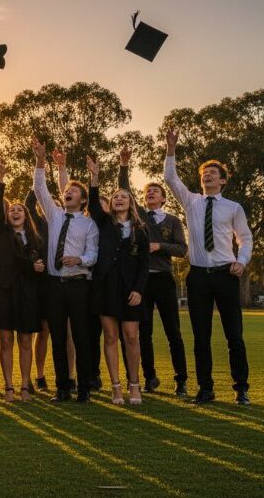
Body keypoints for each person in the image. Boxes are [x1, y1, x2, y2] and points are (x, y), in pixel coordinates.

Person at [164, 129, 253, 405]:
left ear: (222, 180)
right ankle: (206, 389)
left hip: (226, 274)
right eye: (204, 173)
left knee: (234, 336)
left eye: (213, 173)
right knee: (201, 337)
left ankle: (241, 388)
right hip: (199, 276)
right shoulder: (191, 201)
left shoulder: (233, 207)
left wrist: (242, 261)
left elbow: (246, 238)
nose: (207, 176)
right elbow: (170, 179)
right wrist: (170, 150)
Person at [31, 137, 99, 402]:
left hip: (79, 284)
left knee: (81, 338)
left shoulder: (89, 224)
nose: (67, 192)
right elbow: (39, 189)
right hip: (55, 285)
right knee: (57, 338)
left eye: (73, 190)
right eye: (66, 190)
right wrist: (40, 161)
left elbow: (94, 253)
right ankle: (61, 388)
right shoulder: (55, 214)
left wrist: (80, 260)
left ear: (82, 200)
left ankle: (83, 389)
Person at [117, 146, 189, 395]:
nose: (150, 194)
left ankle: (181, 380)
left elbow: (182, 249)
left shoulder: (172, 221)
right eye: (147, 192)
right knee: (142, 333)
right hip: (142, 283)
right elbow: (124, 190)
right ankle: (149, 377)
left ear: (163, 199)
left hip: (164, 281)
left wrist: (159, 246)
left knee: (173, 332)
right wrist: (124, 166)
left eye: (155, 192)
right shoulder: (138, 218)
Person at [86, 155, 150, 405]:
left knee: (131, 336)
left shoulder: (140, 229)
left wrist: (139, 290)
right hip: (105, 288)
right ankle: (115, 386)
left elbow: (145, 264)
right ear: (111, 204)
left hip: (130, 290)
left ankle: (135, 384)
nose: (119, 199)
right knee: (110, 337)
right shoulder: (103, 223)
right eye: (115, 197)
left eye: (124, 196)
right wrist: (95, 177)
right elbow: (93, 203)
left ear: (131, 202)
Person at [0, 157, 46, 401]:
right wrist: (1, 179)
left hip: (27, 294)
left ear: (26, 215)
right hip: (4, 291)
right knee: (6, 340)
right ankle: (8, 387)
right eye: (12, 210)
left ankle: (25, 386)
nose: (15, 212)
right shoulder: (0, 232)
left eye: (20, 210)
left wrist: (38, 266)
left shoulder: (36, 239)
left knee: (25, 341)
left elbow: (37, 264)